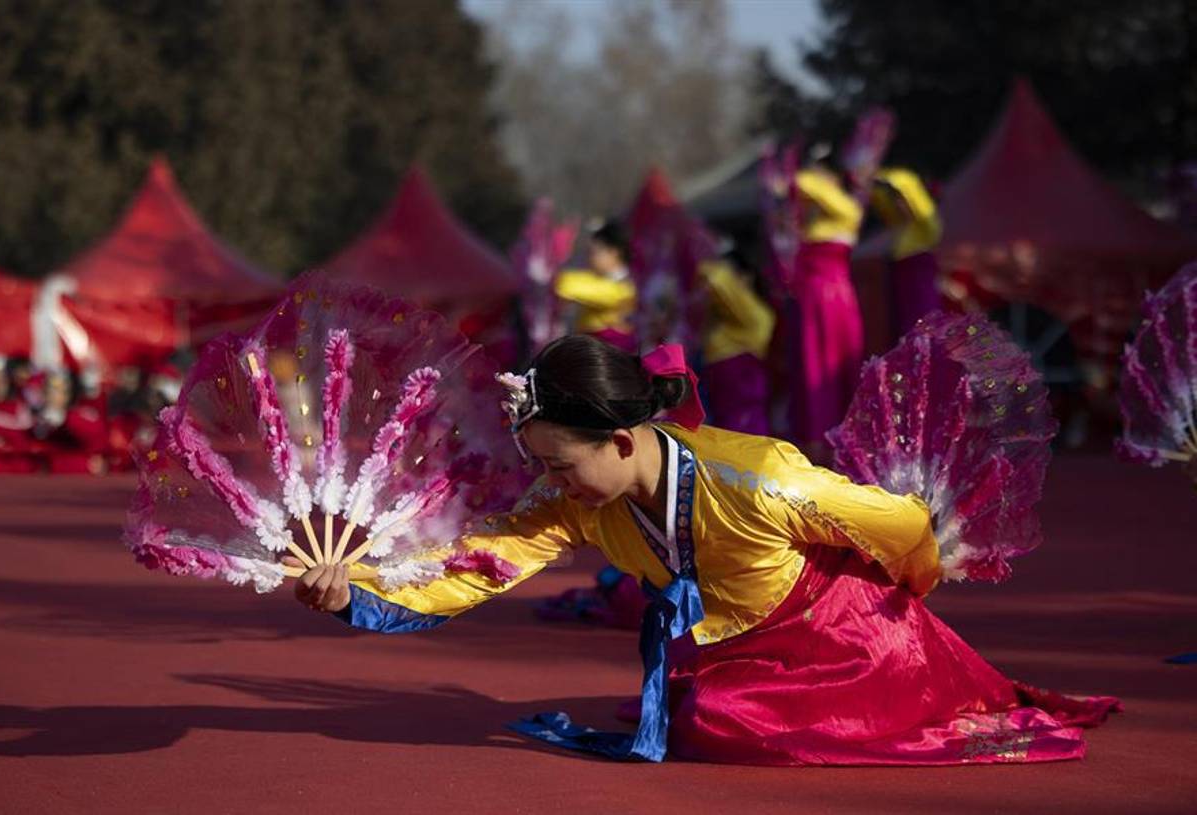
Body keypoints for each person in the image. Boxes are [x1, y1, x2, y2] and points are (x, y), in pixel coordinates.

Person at [286, 334, 1117, 766]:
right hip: (743, 642)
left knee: (712, 719)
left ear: (617, 440)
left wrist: (912, 593)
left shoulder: (758, 478)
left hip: (850, 640)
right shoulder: (572, 505)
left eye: (560, 463)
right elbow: (480, 562)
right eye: (541, 465)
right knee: (697, 711)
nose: (550, 482)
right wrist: (356, 585)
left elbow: (900, 523)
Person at [788, 146, 866, 460]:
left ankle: (846, 442)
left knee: (836, 367)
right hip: (810, 303)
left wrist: (801, 172)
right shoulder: (811, 223)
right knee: (811, 367)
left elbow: (797, 183)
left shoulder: (846, 210)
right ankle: (815, 442)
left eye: (820, 172)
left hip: (833, 301)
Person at [698, 243, 775, 435]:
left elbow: (715, 278)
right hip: (724, 416)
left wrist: (700, 246)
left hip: (745, 421)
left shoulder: (756, 315)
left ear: (746, 277)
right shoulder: (720, 319)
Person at [869, 168, 944, 337]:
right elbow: (879, 199)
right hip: (902, 296)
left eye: (902, 200)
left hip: (920, 296)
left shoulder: (927, 228)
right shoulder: (899, 228)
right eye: (896, 200)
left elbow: (921, 206)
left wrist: (901, 182)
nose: (899, 205)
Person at [554, 219, 638, 353]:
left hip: (612, 355)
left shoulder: (626, 287)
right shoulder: (598, 280)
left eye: (594, 252)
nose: (590, 258)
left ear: (613, 252)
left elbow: (563, 284)